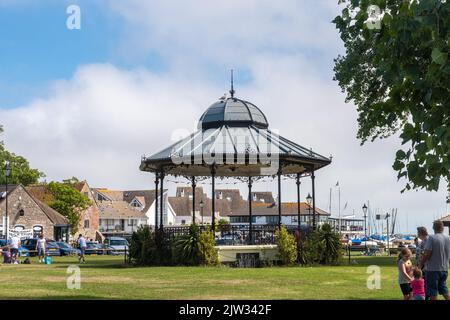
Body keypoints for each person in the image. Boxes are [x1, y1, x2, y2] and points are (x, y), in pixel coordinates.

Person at [419, 220, 450, 300]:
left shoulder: (432, 238)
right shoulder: (448, 238)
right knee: (443, 289)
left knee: (432, 291)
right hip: (445, 269)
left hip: (432, 269)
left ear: (433, 228)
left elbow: (426, 253)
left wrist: (420, 265)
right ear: (443, 228)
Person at [416, 226, 429, 299]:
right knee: (422, 283)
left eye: (418, 232)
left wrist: (421, 265)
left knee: (424, 283)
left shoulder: (427, 241)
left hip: (424, 266)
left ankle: (426, 297)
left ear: (421, 233)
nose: (417, 234)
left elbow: (425, 254)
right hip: (421, 265)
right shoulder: (423, 241)